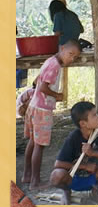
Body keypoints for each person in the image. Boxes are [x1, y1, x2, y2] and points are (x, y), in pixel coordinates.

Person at [22, 39, 82, 189]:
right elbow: (42, 87)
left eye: (75, 57)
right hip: (42, 110)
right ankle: (35, 182)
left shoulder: (50, 61)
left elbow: (37, 82)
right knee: (39, 146)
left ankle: (27, 175)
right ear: (62, 48)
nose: (72, 58)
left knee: (32, 142)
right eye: (70, 54)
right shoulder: (55, 65)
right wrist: (57, 95)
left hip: (34, 106)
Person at [49, 101, 98, 205]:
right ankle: (66, 191)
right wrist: (85, 166)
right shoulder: (73, 137)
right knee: (56, 175)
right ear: (83, 123)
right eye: (94, 115)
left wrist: (93, 153)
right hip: (74, 179)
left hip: (96, 175)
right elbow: (58, 164)